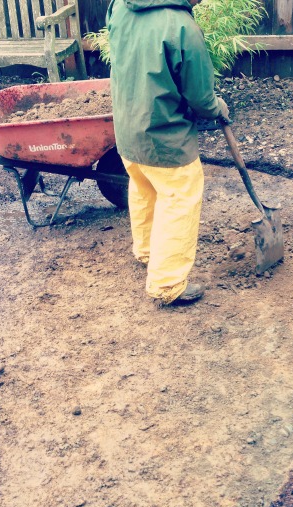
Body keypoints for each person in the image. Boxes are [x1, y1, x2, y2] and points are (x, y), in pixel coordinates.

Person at [106, 0, 229, 306]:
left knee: (144, 186)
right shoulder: (182, 26)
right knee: (180, 197)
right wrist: (217, 107)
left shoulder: (120, 7)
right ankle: (168, 283)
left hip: (128, 129)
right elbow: (200, 96)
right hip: (164, 136)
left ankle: (147, 250)